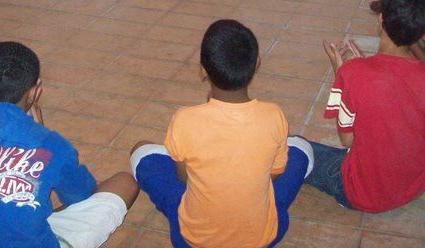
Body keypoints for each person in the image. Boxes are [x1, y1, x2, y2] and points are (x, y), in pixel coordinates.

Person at [0, 41, 139, 247]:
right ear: (34, 91)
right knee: (124, 183)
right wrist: (40, 132)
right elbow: (81, 195)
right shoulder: (53, 146)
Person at [130, 19, 314, 248]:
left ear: (202, 70)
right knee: (301, 147)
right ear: (257, 63)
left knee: (141, 151)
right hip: (260, 238)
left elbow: (184, 179)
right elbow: (274, 174)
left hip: (192, 240)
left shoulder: (185, 119)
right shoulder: (274, 115)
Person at [305, 0, 425, 213]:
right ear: (423, 30)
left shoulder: (353, 74)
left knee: (296, 147)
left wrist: (343, 75)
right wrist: (358, 74)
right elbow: (420, 119)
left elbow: (348, 141)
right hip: (412, 182)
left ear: (381, 19)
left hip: (362, 193)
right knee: (416, 142)